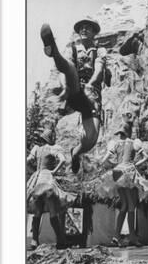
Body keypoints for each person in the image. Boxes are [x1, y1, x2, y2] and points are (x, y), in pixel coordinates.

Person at [40, 17, 107, 173]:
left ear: (94, 32)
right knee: (70, 69)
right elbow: (64, 72)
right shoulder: (73, 48)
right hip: (76, 89)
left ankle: (76, 153)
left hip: (91, 96)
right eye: (81, 27)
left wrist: (92, 82)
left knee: (91, 138)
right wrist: (64, 87)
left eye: (88, 28)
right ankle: (52, 49)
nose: (84, 29)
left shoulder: (100, 50)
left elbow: (99, 68)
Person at [101, 124, 148, 247]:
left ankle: (117, 236)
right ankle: (132, 236)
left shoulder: (115, 143)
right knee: (131, 206)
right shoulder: (134, 142)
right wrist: (136, 164)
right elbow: (146, 157)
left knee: (124, 205)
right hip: (128, 172)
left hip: (117, 173)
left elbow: (104, 160)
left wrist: (114, 165)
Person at [26, 128, 76, 250]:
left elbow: (27, 161)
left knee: (37, 213)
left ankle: (34, 241)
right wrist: (54, 171)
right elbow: (63, 160)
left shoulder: (37, 149)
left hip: (37, 180)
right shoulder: (53, 148)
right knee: (53, 212)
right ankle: (60, 241)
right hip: (47, 180)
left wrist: (34, 172)